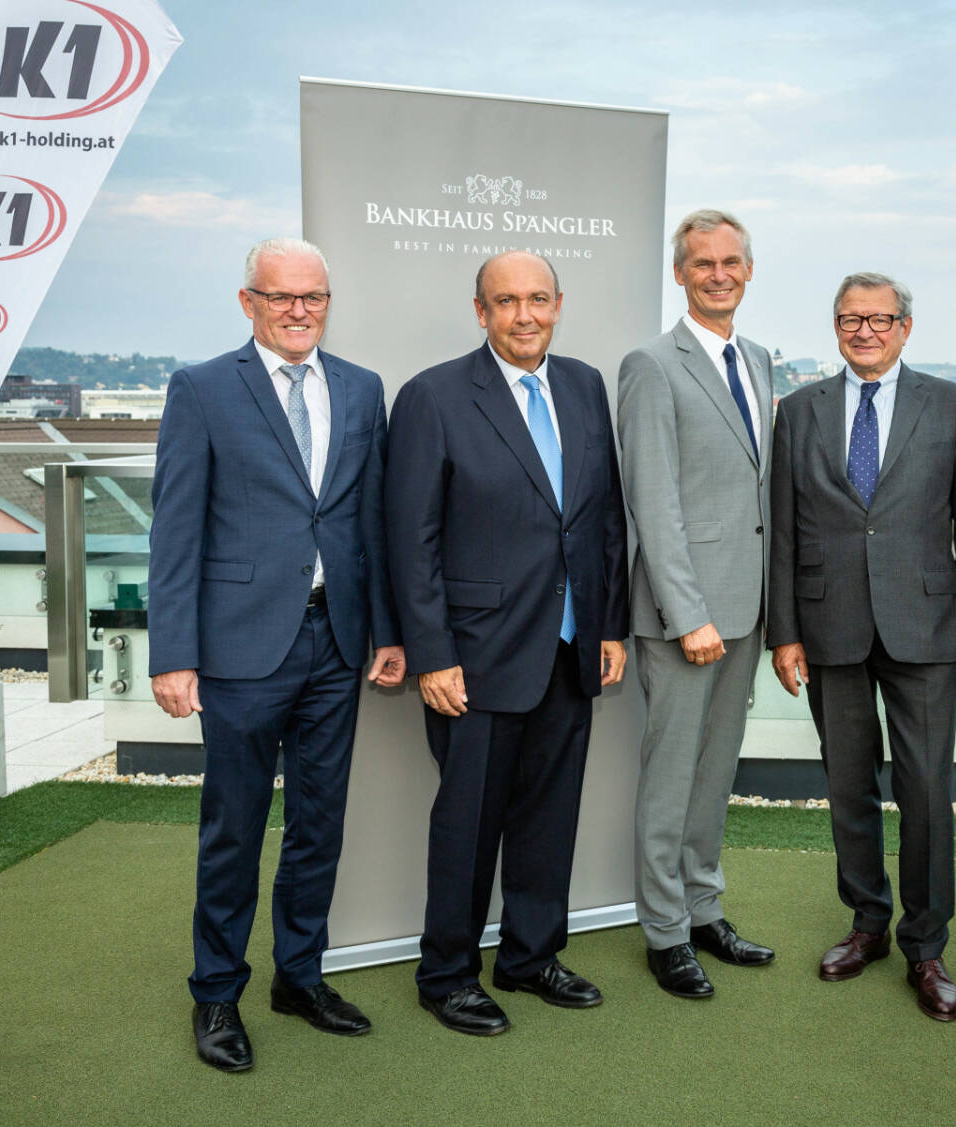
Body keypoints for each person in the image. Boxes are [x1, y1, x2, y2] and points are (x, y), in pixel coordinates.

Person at [149, 237, 404, 1073]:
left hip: (337, 640)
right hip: (237, 648)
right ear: (248, 301)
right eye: (282, 296)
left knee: (318, 825)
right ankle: (216, 992)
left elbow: (375, 524)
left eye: (314, 297)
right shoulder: (202, 389)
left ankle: (300, 976)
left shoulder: (363, 390)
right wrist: (172, 654)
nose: (300, 310)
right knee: (234, 829)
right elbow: (176, 530)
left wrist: (390, 631)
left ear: (328, 302)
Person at [386, 251, 629, 1037]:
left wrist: (611, 624)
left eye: (537, 299)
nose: (525, 315)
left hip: (570, 645)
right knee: (468, 823)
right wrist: (431, 652)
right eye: (506, 301)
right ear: (480, 310)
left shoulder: (586, 385)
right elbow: (410, 538)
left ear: (559, 303)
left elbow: (603, 519)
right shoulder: (433, 396)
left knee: (550, 815)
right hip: (476, 655)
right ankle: (447, 973)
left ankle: (529, 956)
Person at [767, 272, 956, 1021]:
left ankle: (925, 944)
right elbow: (785, 527)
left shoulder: (951, 404)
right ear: (835, 327)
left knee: (925, 789)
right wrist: (785, 631)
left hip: (927, 629)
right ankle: (867, 922)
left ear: (905, 327)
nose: (864, 330)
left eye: (879, 318)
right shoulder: (799, 410)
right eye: (849, 318)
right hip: (830, 625)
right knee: (848, 784)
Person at [617, 209, 774, 999]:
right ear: (679, 273)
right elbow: (652, 500)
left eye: (732, 261)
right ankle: (664, 930)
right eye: (702, 262)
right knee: (671, 775)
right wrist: (689, 614)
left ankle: (704, 907)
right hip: (688, 618)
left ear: (750, 269)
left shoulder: (759, 357)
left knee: (715, 775)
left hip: (745, 610)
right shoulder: (651, 364)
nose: (719, 273)